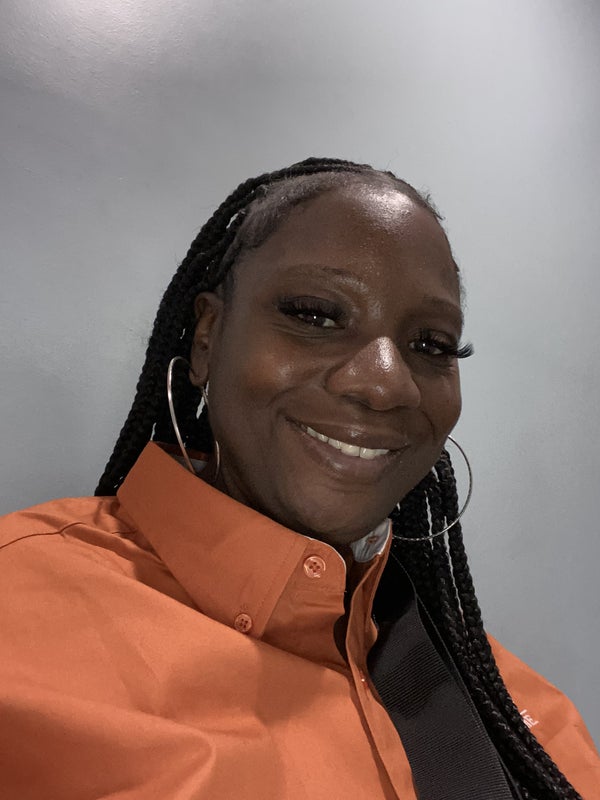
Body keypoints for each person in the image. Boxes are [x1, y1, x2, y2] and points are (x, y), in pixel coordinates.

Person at [0, 157, 597, 800]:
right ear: (207, 338)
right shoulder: (18, 624)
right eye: (315, 315)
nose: (385, 383)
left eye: (432, 345)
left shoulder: (521, 715)